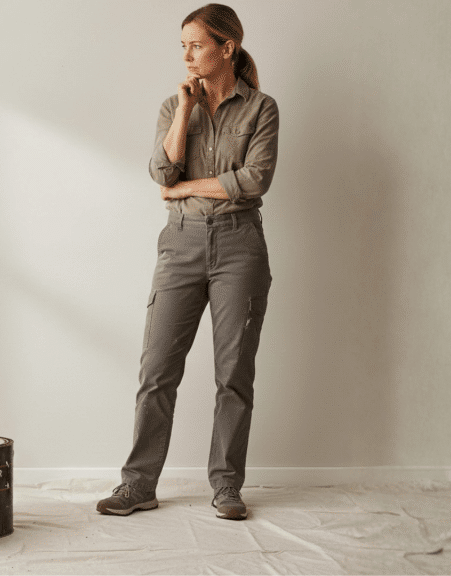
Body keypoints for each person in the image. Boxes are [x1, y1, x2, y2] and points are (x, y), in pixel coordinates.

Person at [97, 3, 278, 520]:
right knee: (156, 369)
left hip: (240, 246)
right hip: (180, 245)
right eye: (182, 46)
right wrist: (183, 109)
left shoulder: (262, 109)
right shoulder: (173, 106)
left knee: (234, 373)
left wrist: (185, 188)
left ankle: (226, 487)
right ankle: (138, 485)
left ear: (227, 48)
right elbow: (161, 171)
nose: (187, 55)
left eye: (196, 45)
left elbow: (255, 179)